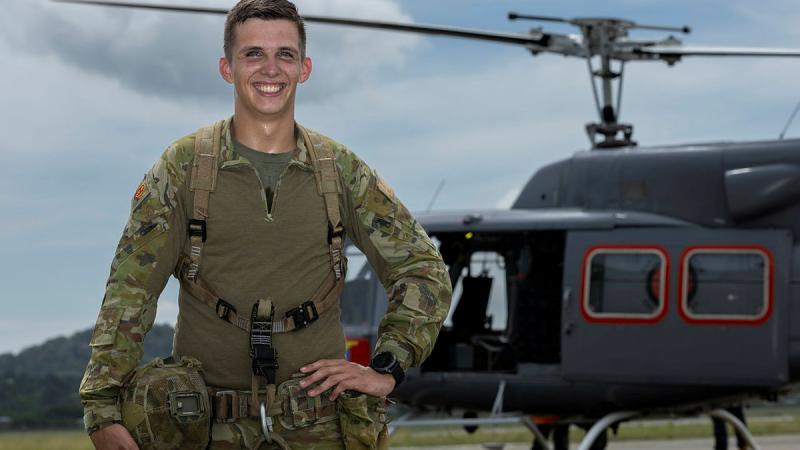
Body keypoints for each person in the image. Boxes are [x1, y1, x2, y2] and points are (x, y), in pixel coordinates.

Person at [78, 1, 452, 449]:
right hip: (207, 427)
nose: (270, 69)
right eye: (253, 53)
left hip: (323, 426)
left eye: (285, 54)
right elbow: (129, 291)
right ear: (226, 67)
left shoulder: (340, 172)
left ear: (305, 68)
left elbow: (422, 268)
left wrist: (387, 368)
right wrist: (101, 407)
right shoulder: (184, 169)